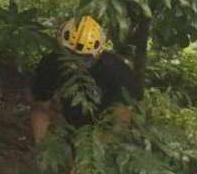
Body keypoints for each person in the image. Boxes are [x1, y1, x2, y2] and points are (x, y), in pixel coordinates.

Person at [30, 15, 142, 143]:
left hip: (106, 131)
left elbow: (121, 122)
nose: (76, 63)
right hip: (72, 124)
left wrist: (90, 154)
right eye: (70, 55)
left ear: (98, 54)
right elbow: (40, 108)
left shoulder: (118, 73)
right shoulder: (51, 64)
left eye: (84, 59)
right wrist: (41, 147)